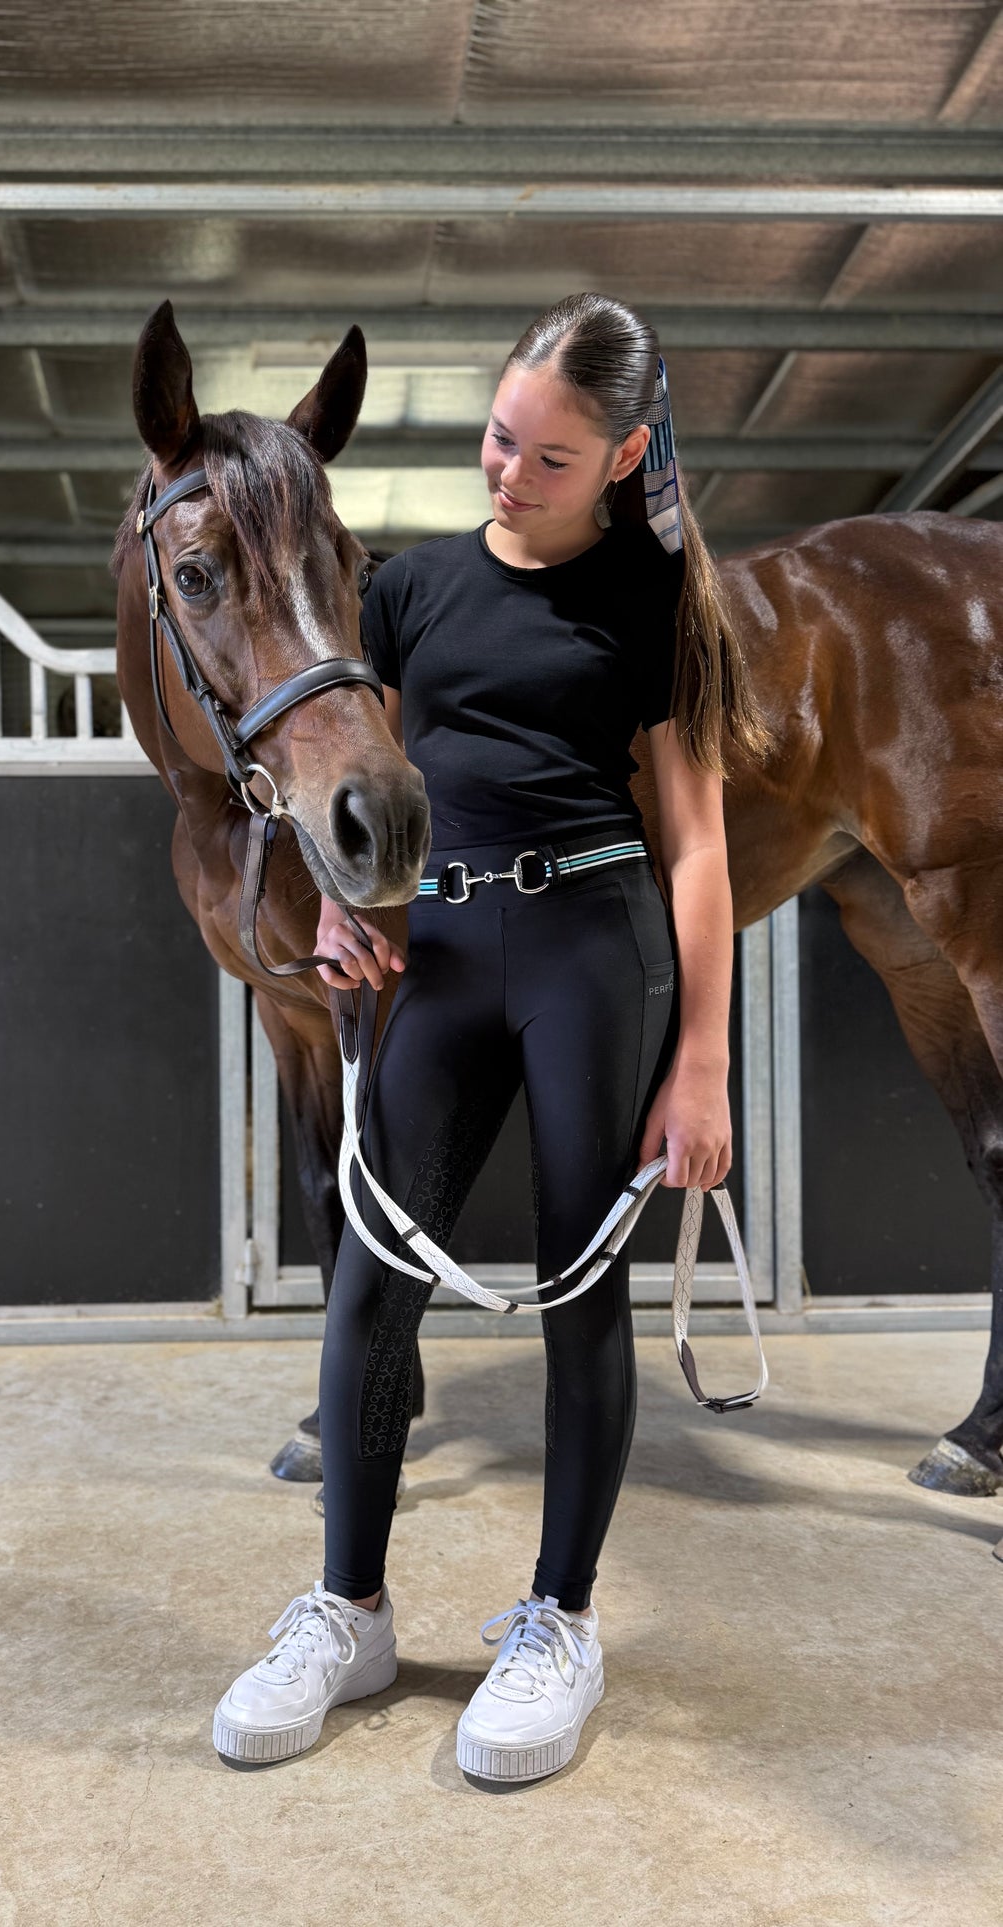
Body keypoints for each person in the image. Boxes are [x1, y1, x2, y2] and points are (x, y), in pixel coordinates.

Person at [212, 291, 774, 1781]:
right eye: (497, 438)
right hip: (440, 945)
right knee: (369, 1279)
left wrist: (704, 1056)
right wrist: (344, 909)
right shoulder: (407, 591)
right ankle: (347, 1608)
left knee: (581, 1292)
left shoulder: (654, 608)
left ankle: (557, 1624)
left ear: (621, 458)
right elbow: (360, 784)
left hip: (594, 948)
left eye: (546, 457)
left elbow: (701, 849)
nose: (505, 473)